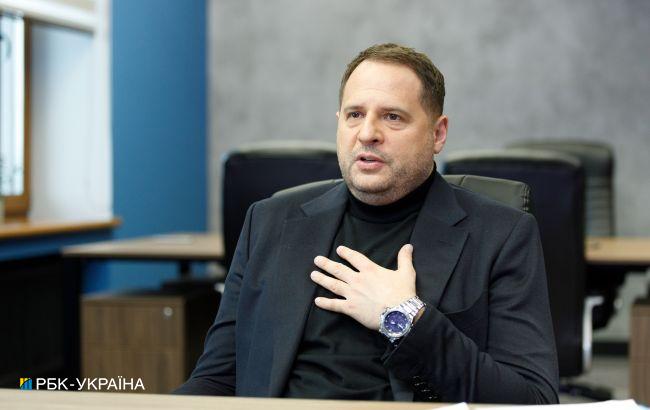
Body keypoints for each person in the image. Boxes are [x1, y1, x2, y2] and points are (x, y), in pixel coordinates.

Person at [174, 43, 559, 404]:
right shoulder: (269, 222)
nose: (367, 134)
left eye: (392, 117)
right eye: (354, 115)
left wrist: (405, 318)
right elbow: (218, 378)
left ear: (437, 134)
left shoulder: (501, 235)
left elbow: (532, 400)